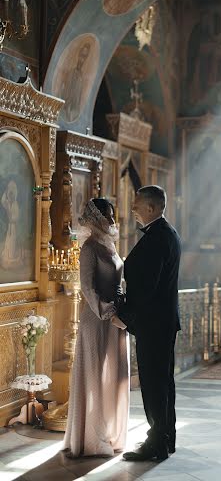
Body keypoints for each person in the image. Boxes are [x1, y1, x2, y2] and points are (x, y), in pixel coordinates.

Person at [62, 198, 129, 458]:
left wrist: (121, 307)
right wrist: (108, 312)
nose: (111, 220)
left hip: (116, 319)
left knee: (114, 374)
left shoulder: (109, 244)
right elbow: (87, 288)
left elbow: (118, 281)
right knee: (94, 375)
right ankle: (91, 437)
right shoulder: (89, 247)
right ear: (96, 218)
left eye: (112, 215)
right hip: (97, 318)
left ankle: (111, 432)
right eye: (107, 215)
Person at [118, 185, 181, 462]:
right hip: (162, 322)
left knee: (155, 384)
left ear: (152, 208)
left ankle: (156, 443)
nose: (132, 209)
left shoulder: (157, 238)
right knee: (163, 382)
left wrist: (125, 317)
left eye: (137, 204)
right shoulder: (166, 233)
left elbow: (147, 288)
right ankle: (166, 437)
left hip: (153, 323)